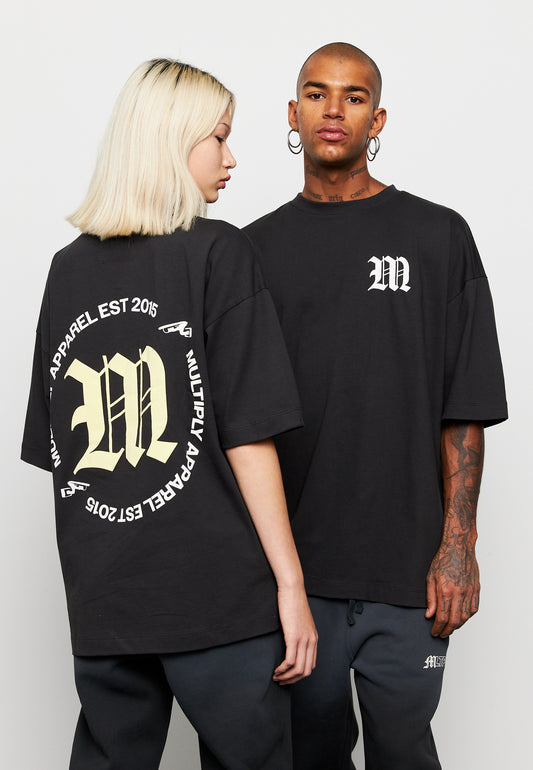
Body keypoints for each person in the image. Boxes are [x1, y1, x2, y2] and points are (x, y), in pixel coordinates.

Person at [21, 58, 317, 770]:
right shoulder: (220, 251)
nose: (231, 158)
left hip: (104, 602)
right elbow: (248, 435)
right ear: (172, 140)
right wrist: (291, 586)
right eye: (220, 137)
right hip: (217, 597)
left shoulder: (67, 269)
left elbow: (62, 454)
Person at [245, 42, 507, 770]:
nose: (334, 109)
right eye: (317, 93)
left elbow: (465, 402)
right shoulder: (249, 252)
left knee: (404, 754)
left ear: (377, 118)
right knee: (306, 757)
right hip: (294, 580)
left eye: (354, 96)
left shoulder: (437, 236)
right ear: (292, 113)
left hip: (408, 573)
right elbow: (236, 426)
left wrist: (458, 546)